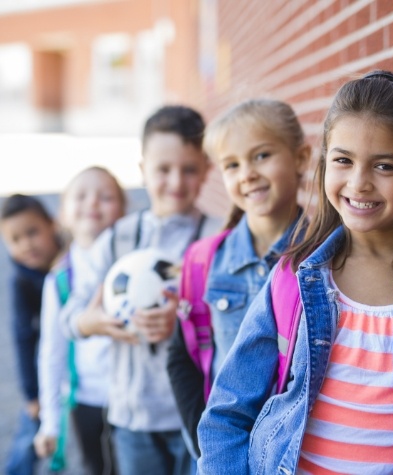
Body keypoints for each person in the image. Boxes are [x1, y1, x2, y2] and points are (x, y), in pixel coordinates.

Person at [196, 70, 393, 474]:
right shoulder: (293, 277)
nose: (359, 183)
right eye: (343, 161)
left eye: (384, 166)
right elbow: (227, 414)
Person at [59, 105, 223, 475]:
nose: (176, 182)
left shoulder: (217, 238)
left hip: (198, 416)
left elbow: (235, 319)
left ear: (206, 171)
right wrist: (96, 322)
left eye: (189, 169)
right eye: (163, 170)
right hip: (132, 418)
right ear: (142, 170)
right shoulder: (118, 238)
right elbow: (69, 320)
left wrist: (184, 316)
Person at [166, 98, 311, 460]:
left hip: (297, 450)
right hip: (228, 452)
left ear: (301, 158)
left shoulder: (326, 256)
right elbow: (181, 358)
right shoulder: (204, 261)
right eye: (232, 164)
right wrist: (206, 446)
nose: (246, 173)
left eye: (261, 156)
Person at [34, 166, 126, 474]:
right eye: (81, 196)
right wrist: (49, 421)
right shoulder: (59, 280)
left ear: (124, 211)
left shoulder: (133, 266)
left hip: (131, 399)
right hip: (85, 398)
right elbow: (52, 352)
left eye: (106, 197)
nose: (93, 203)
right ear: (62, 213)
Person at [1, 194, 62, 475]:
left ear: (52, 225)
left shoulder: (72, 262)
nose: (26, 244)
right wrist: (31, 395)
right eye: (15, 239)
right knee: (29, 436)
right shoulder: (22, 280)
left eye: (32, 232)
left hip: (73, 361)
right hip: (44, 371)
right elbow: (23, 338)